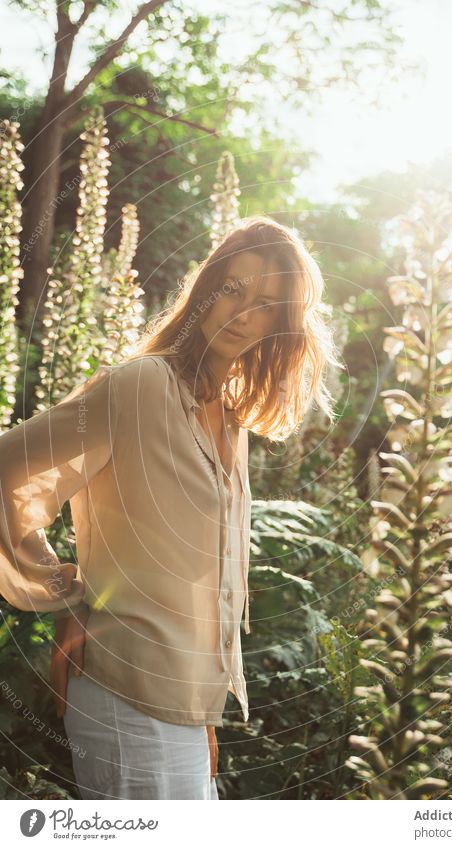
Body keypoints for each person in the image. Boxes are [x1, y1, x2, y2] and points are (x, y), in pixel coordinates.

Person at [0, 215, 342, 799]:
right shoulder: (140, 386)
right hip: (125, 694)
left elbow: (198, 586)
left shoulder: (229, 417)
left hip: (183, 707)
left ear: (282, 325)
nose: (240, 313)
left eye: (264, 304)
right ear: (205, 288)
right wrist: (68, 596)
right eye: (232, 288)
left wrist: (204, 718)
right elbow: (8, 467)